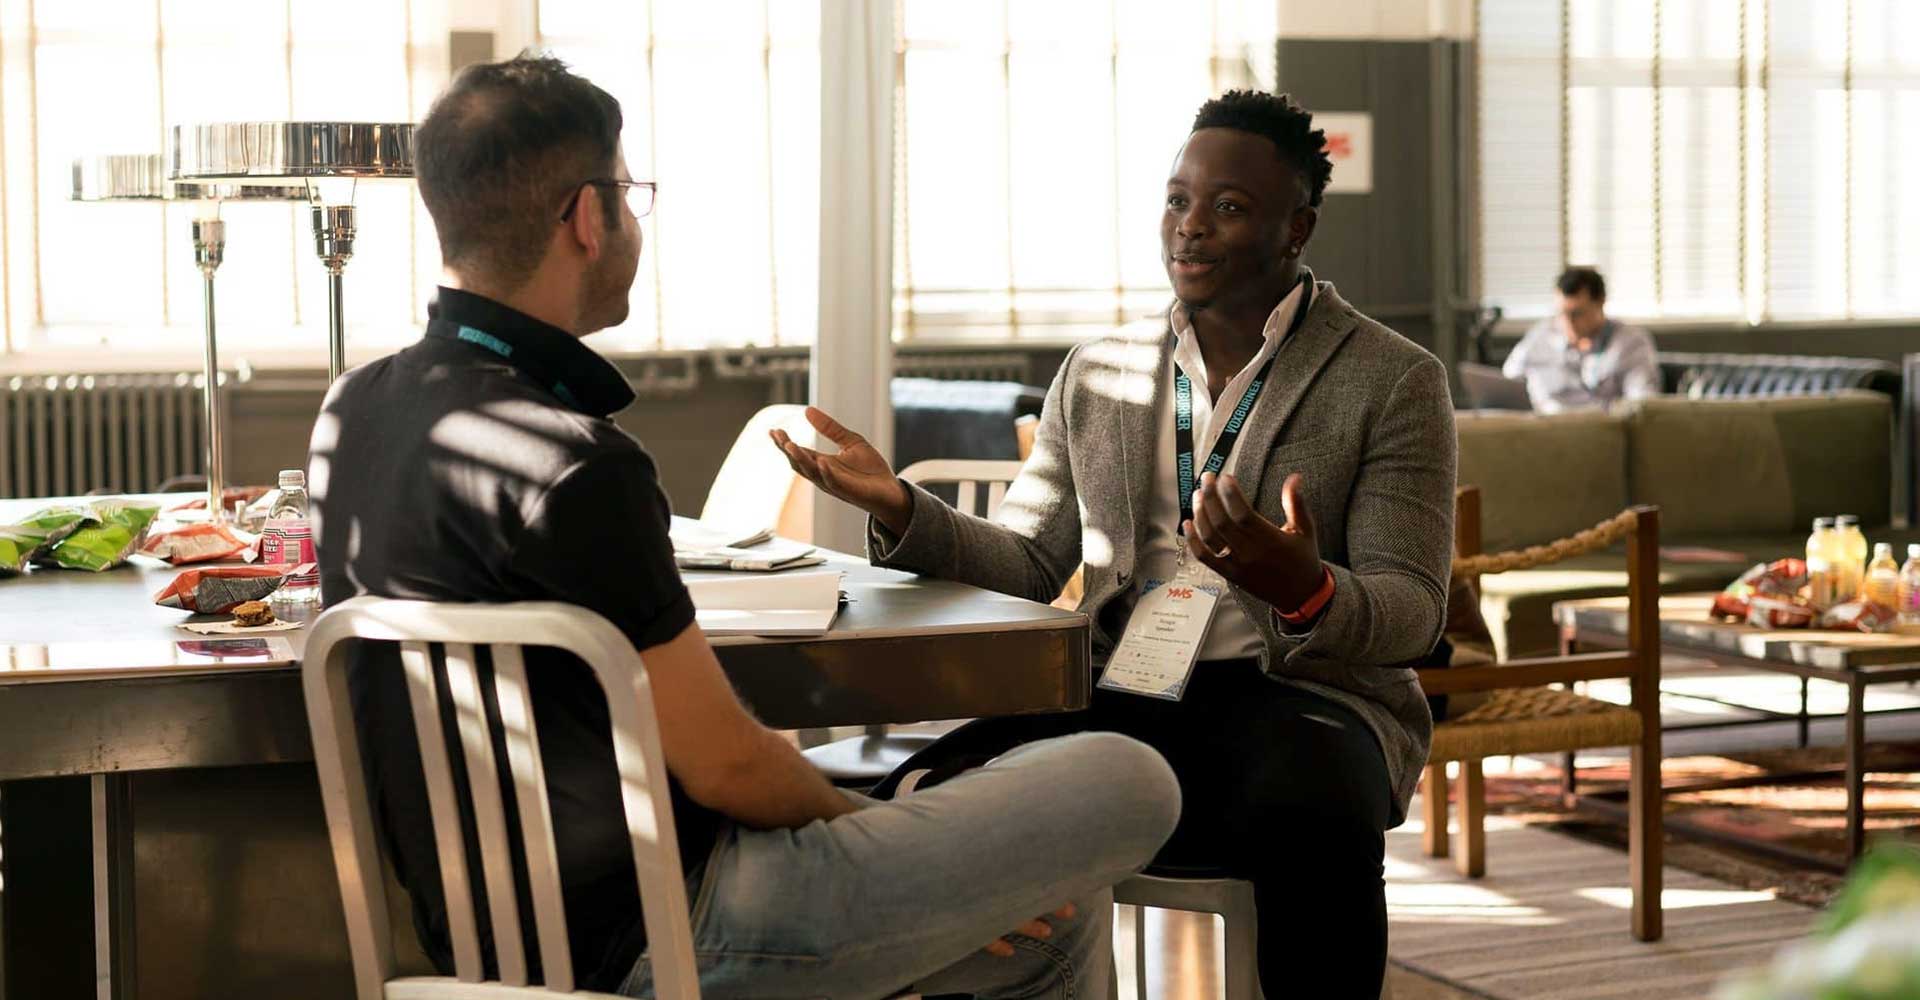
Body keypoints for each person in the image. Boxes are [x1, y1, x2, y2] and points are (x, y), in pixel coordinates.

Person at [309, 54, 1180, 999]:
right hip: (674, 932)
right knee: (1129, 776)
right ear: (588, 217)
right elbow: (727, 765)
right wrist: (877, 832)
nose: (633, 218)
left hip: (488, 947)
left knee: (1054, 919)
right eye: (630, 194)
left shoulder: (355, 410)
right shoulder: (578, 464)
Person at [774, 90, 1455, 999]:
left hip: (1301, 698)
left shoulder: (1393, 378)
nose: (1190, 227)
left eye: (1228, 206)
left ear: (1297, 228)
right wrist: (903, 507)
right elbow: (1026, 563)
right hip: (1124, 688)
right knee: (939, 785)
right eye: (1177, 200)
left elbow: (1414, 612)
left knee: (1315, 812)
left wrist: (1307, 589)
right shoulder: (1098, 371)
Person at [1501, 266, 1661, 412]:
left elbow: (1642, 403)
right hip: (1543, 425)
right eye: (1562, 313)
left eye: (1577, 314)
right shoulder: (1542, 335)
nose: (1568, 323)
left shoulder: (1630, 342)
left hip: (1598, 426)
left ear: (1601, 302)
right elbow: (1508, 380)